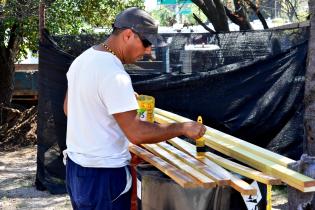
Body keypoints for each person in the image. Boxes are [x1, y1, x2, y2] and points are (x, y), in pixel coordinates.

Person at [63, 7, 206, 210]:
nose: (149, 51)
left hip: (77, 171)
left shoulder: (82, 60)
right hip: (105, 176)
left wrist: (116, 104)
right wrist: (182, 128)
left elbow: (70, 109)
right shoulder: (114, 74)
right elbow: (137, 133)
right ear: (128, 35)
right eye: (146, 43)